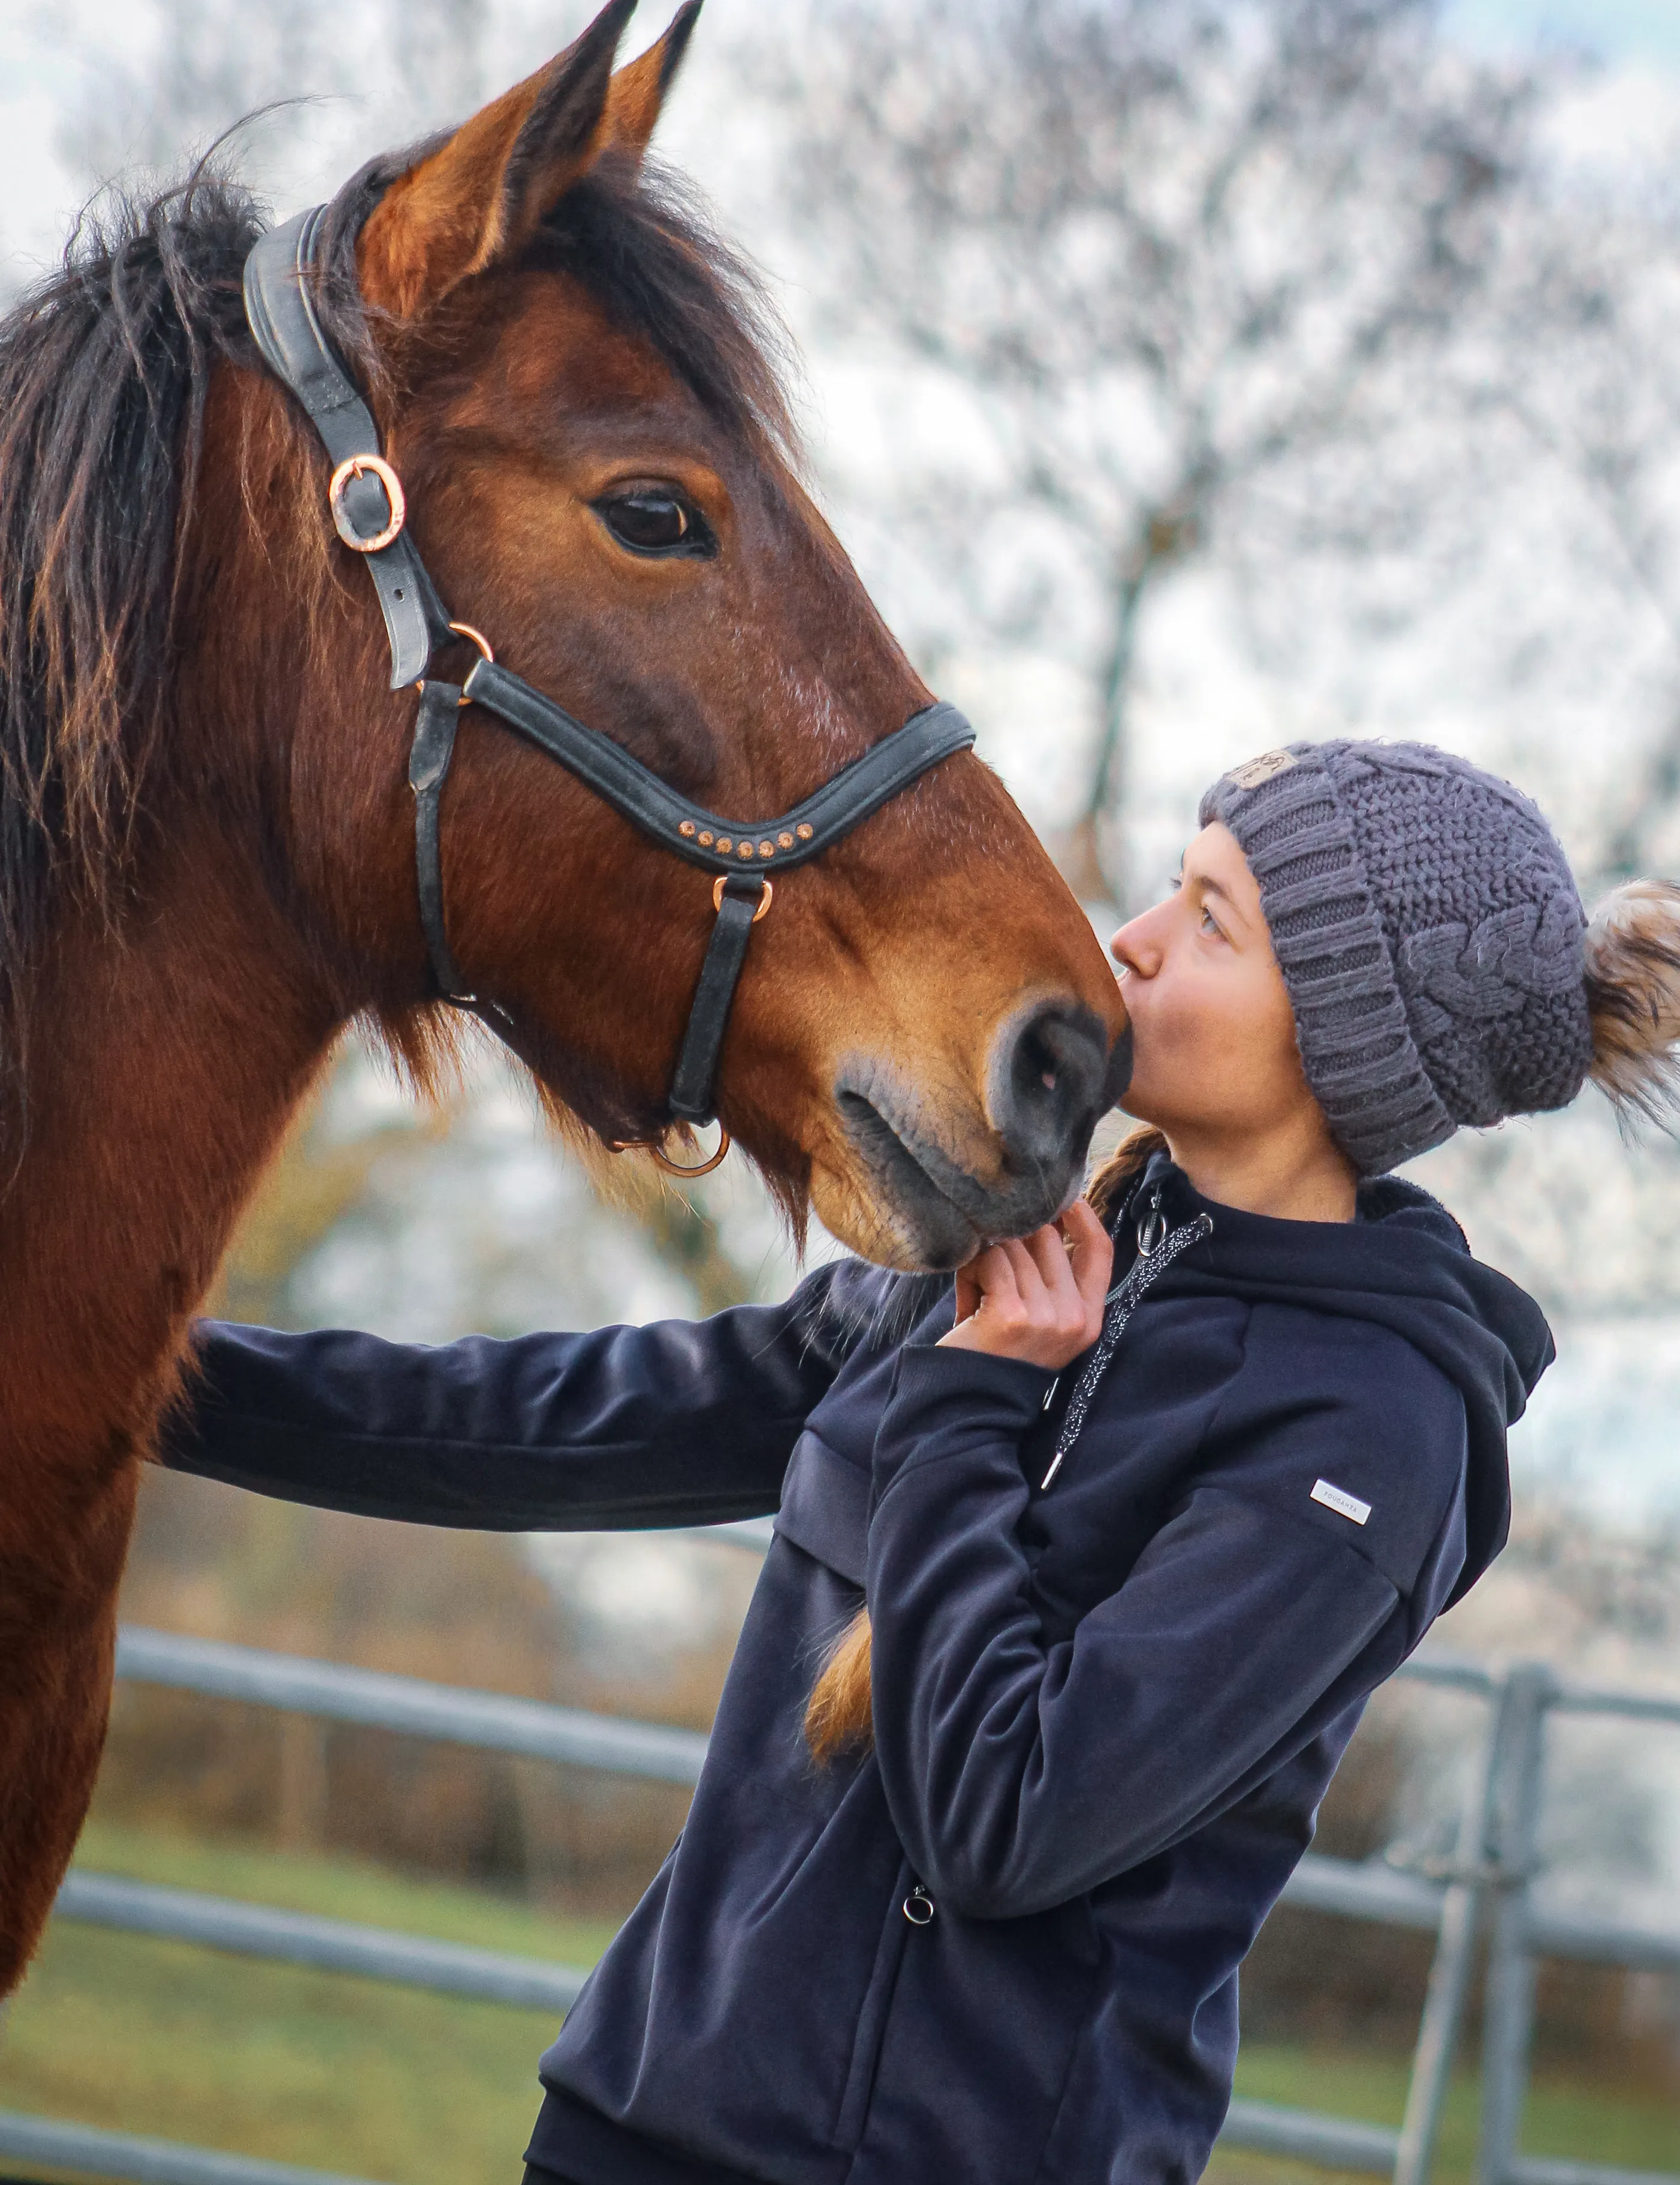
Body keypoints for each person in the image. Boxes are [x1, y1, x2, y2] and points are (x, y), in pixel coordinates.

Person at [161, 738, 1680, 2185]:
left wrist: (964, 1412)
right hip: (641, 2119)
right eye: (1168, 883)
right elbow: (601, 1411)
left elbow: (1010, 1820)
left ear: (1344, 1038)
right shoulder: (1038, 1228)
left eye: (1211, 921)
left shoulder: (1372, 1432)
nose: (1130, 940)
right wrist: (153, 1380)